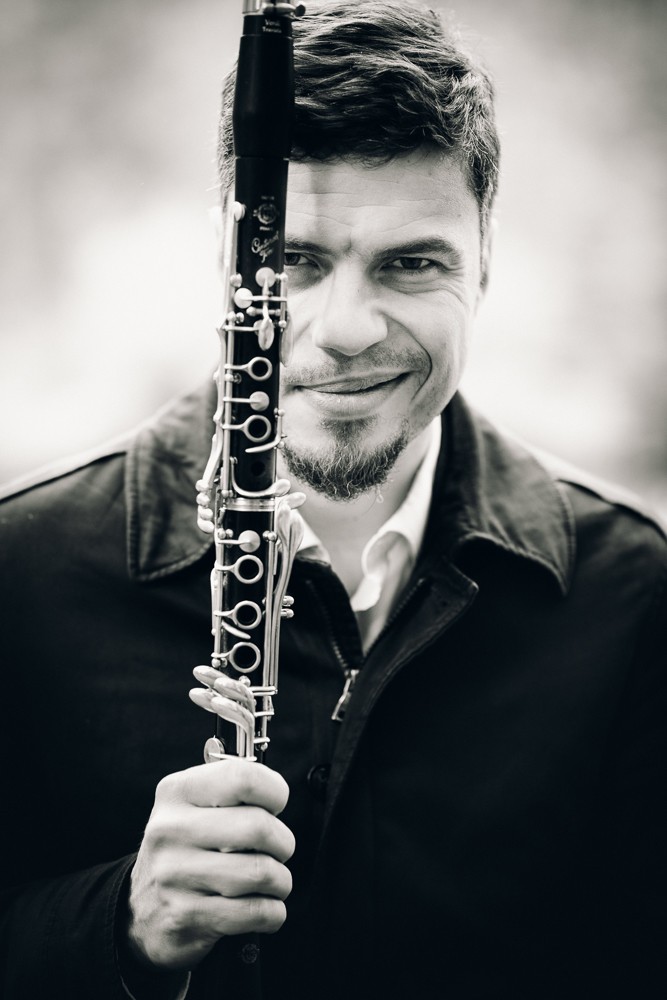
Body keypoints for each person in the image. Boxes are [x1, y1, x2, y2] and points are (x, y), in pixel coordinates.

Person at [1, 1, 665, 997]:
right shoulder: (22, 573)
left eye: (411, 263)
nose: (347, 329)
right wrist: (118, 927)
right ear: (227, 263)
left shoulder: (632, 592)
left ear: (484, 264)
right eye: (295, 261)